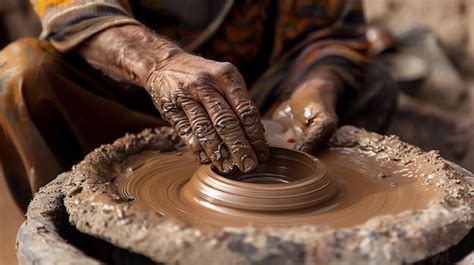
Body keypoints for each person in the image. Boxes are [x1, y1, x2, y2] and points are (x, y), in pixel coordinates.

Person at [0, 0, 396, 210]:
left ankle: (306, 217)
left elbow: (333, 33)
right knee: (19, 74)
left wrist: (315, 86)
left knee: (374, 83)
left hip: (257, 97)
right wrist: (159, 64)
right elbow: (74, 9)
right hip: (128, 88)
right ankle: (80, 227)